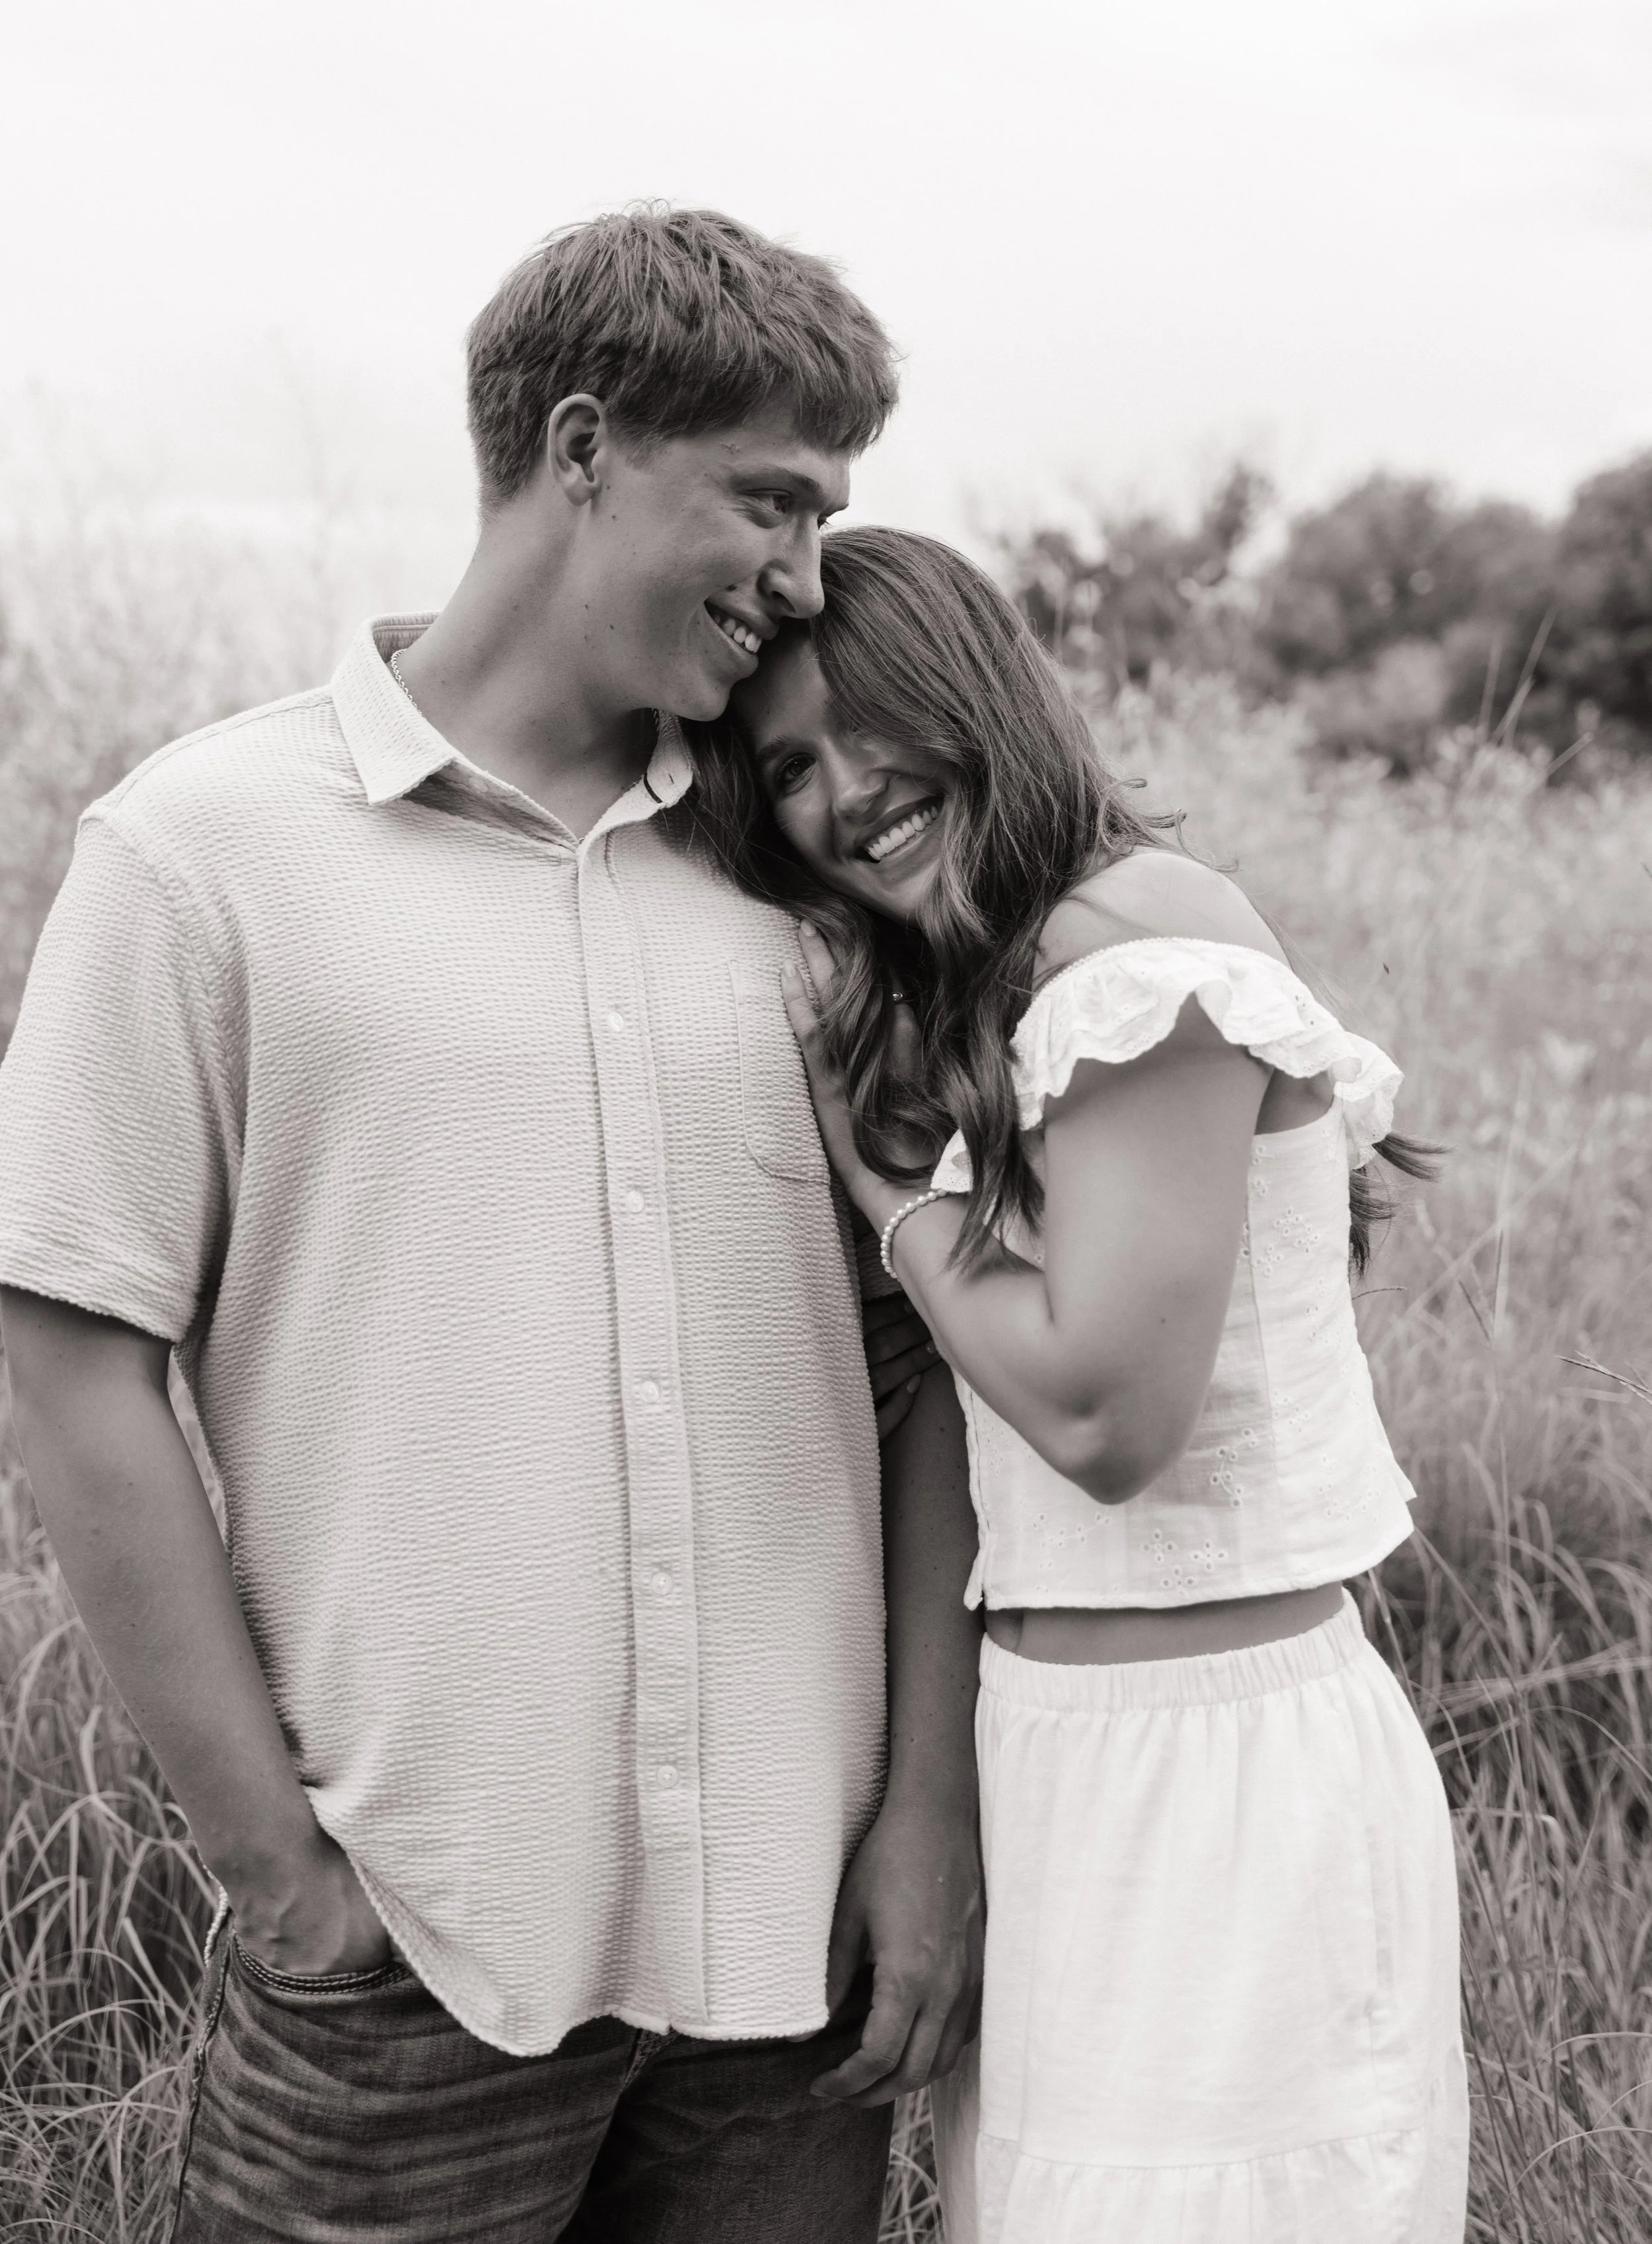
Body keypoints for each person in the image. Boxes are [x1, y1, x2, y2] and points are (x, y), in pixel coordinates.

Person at [0, 215, 984, 2244]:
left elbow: (924, 1374)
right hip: (410, 1947)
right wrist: (283, 1872)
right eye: (773, 501)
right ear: (583, 444)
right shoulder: (201, 851)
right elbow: (71, 1348)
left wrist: (923, 1811)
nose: (807, 577)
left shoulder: (809, 876)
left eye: (827, 516)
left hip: (785, 1960)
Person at [686, 523, 1469, 2243]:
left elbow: (1108, 1417)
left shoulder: (1133, 955)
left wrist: (894, 1205)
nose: (844, 795)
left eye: (868, 723)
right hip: (1061, 1755)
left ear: (974, 690)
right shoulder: (1005, 972)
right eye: (790, 767)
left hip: (1224, 1775)